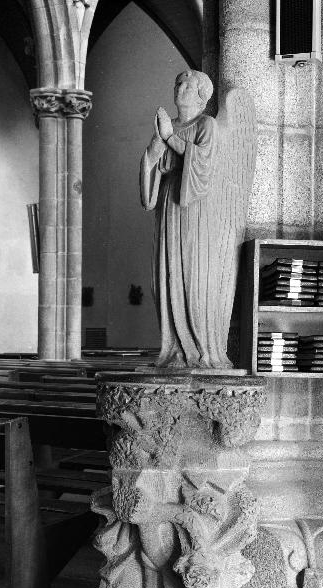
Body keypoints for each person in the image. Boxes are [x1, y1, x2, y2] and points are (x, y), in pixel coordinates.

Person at [140, 70, 221, 369]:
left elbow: (202, 163)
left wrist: (169, 138)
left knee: (188, 272)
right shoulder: (168, 125)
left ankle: (196, 348)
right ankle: (171, 346)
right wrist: (154, 149)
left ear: (201, 94)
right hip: (167, 206)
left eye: (187, 85)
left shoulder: (206, 124)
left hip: (191, 209)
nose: (180, 88)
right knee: (164, 273)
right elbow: (152, 163)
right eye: (177, 83)